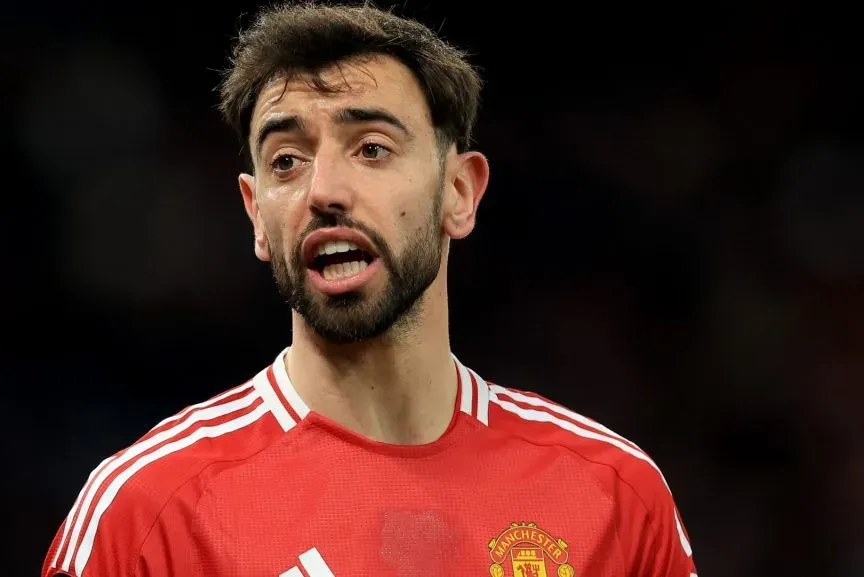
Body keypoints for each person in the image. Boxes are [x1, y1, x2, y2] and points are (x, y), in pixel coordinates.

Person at [41, 3, 698, 576]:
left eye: (372, 148)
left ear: (460, 191)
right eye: (287, 161)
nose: (324, 189)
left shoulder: (612, 495)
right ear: (256, 215)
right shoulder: (148, 513)